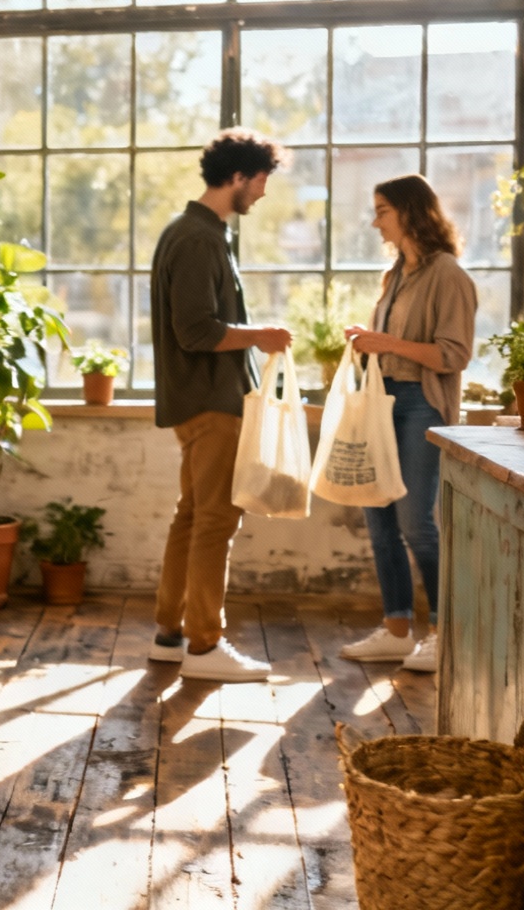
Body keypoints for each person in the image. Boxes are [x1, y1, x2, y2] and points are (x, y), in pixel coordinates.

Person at [147, 129, 293, 681]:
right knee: (215, 522)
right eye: (259, 182)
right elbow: (195, 331)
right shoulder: (199, 239)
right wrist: (262, 335)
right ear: (237, 177)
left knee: (192, 516)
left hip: (200, 400)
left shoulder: (200, 233)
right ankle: (205, 646)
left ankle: (170, 632)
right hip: (210, 402)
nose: (261, 193)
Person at [338, 174, 477, 673]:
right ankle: (397, 631)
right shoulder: (394, 275)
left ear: (410, 212)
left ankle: (444, 633)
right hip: (383, 401)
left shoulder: (448, 275)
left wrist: (388, 344)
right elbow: (392, 345)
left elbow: (455, 355)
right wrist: (368, 341)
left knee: (416, 523)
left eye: (382, 211)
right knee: (379, 522)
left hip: (422, 403)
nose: (375, 221)